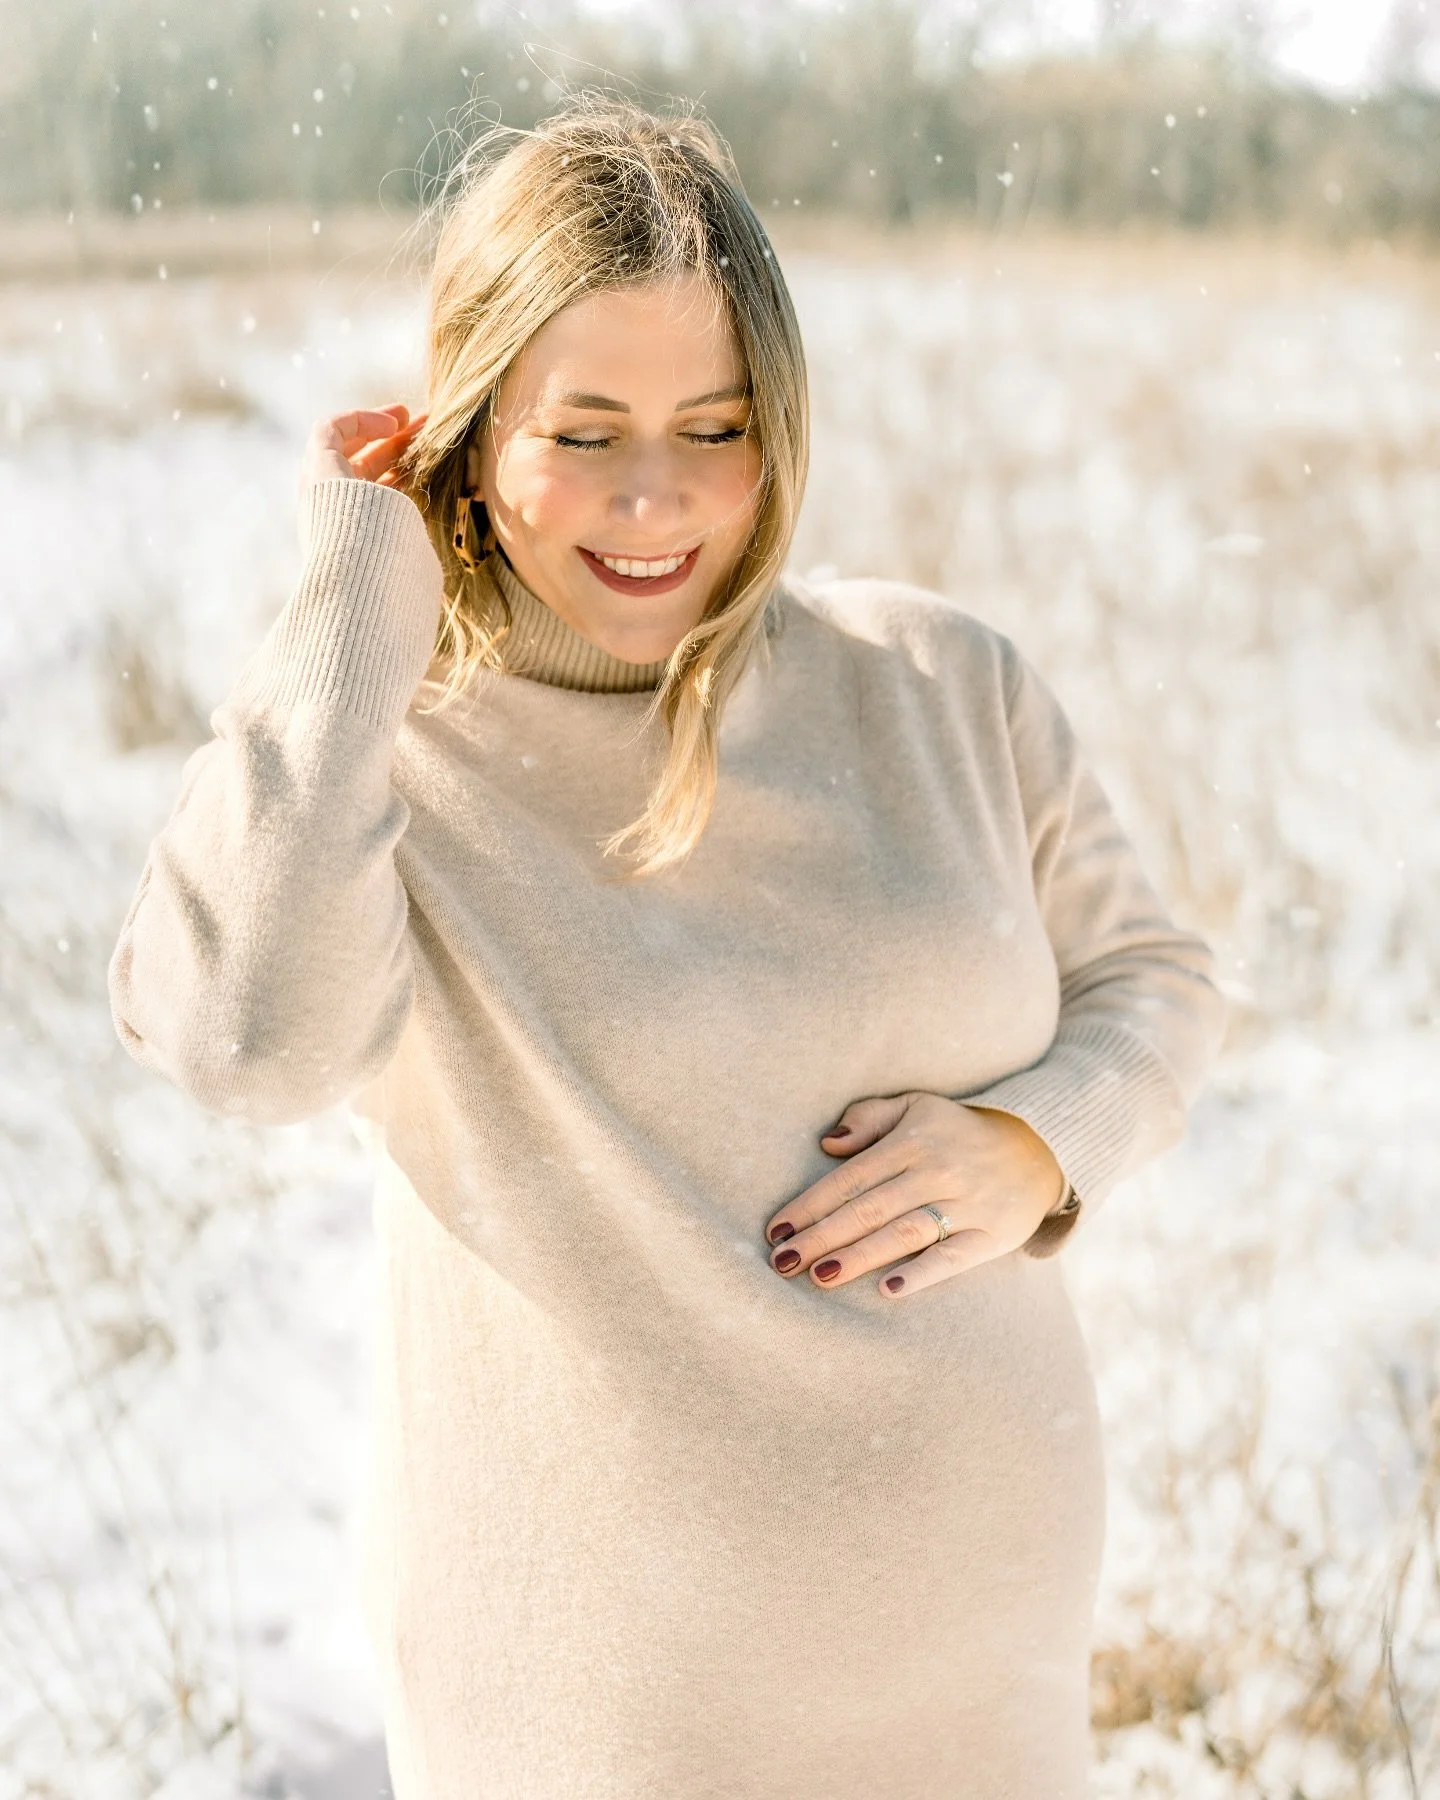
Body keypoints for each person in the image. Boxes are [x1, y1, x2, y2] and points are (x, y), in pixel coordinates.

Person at [107, 97, 1227, 1800]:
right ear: (469, 433)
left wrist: (1034, 1145)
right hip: (606, 1722)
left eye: (714, 425)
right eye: (586, 428)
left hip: (984, 1694)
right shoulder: (390, 770)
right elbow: (243, 1041)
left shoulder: (937, 685)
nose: (655, 498)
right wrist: (353, 597)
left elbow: (1157, 984)